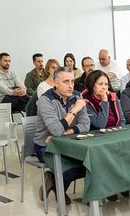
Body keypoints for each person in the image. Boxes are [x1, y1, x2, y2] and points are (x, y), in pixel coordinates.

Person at [35, 69, 90, 200]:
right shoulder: (45, 100)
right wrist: (75, 110)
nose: (71, 85)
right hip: (46, 146)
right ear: (56, 83)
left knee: (92, 164)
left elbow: (86, 125)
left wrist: (66, 132)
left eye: (72, 81)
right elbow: (56, 130)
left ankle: (52, 181)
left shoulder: (77, 96)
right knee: (68, 170)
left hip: (70, 142)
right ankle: (57, 184)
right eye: (66, 82)